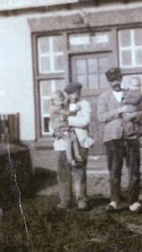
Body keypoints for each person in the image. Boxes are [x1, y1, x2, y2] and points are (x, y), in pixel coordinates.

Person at [97, 68, 142, 213]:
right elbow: (101, 117)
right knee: (114, 170)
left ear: (121, 79)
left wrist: (134, 116)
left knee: (134, 170)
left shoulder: (131, 93)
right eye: (112, 80)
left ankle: (134, 201)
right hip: (113, 138)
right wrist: (120, 110)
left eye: (117, 79)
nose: (115, 83)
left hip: (131, 137)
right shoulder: (104, 97)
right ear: (109, 82)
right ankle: (115, 200)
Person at [53, 82, 94, 210]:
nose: (74, 96)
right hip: (62, 143)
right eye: (71, 93)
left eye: (77, 93)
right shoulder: (61, 104)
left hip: (80, 141)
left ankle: (81, 199)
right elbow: (52, 122)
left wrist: (65, 120)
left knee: (79, 171)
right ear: (67, 94)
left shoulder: (84, 104)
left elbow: (85, 121)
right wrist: (58, 128)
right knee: (63, 172)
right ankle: (65, 200)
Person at [50, 90, 82, 166]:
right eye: (58, 101)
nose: (60, 102)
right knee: (68, 139)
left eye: (61, 100)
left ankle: (77, 155)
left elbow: (65, 105)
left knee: (74, 137)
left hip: (64, 127)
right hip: (59, 128)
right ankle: (70, 159)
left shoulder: (60, 107)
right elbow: (66, 113)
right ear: (53, 101)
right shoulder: (55, 108)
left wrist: (67, 99)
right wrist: (75, 110)